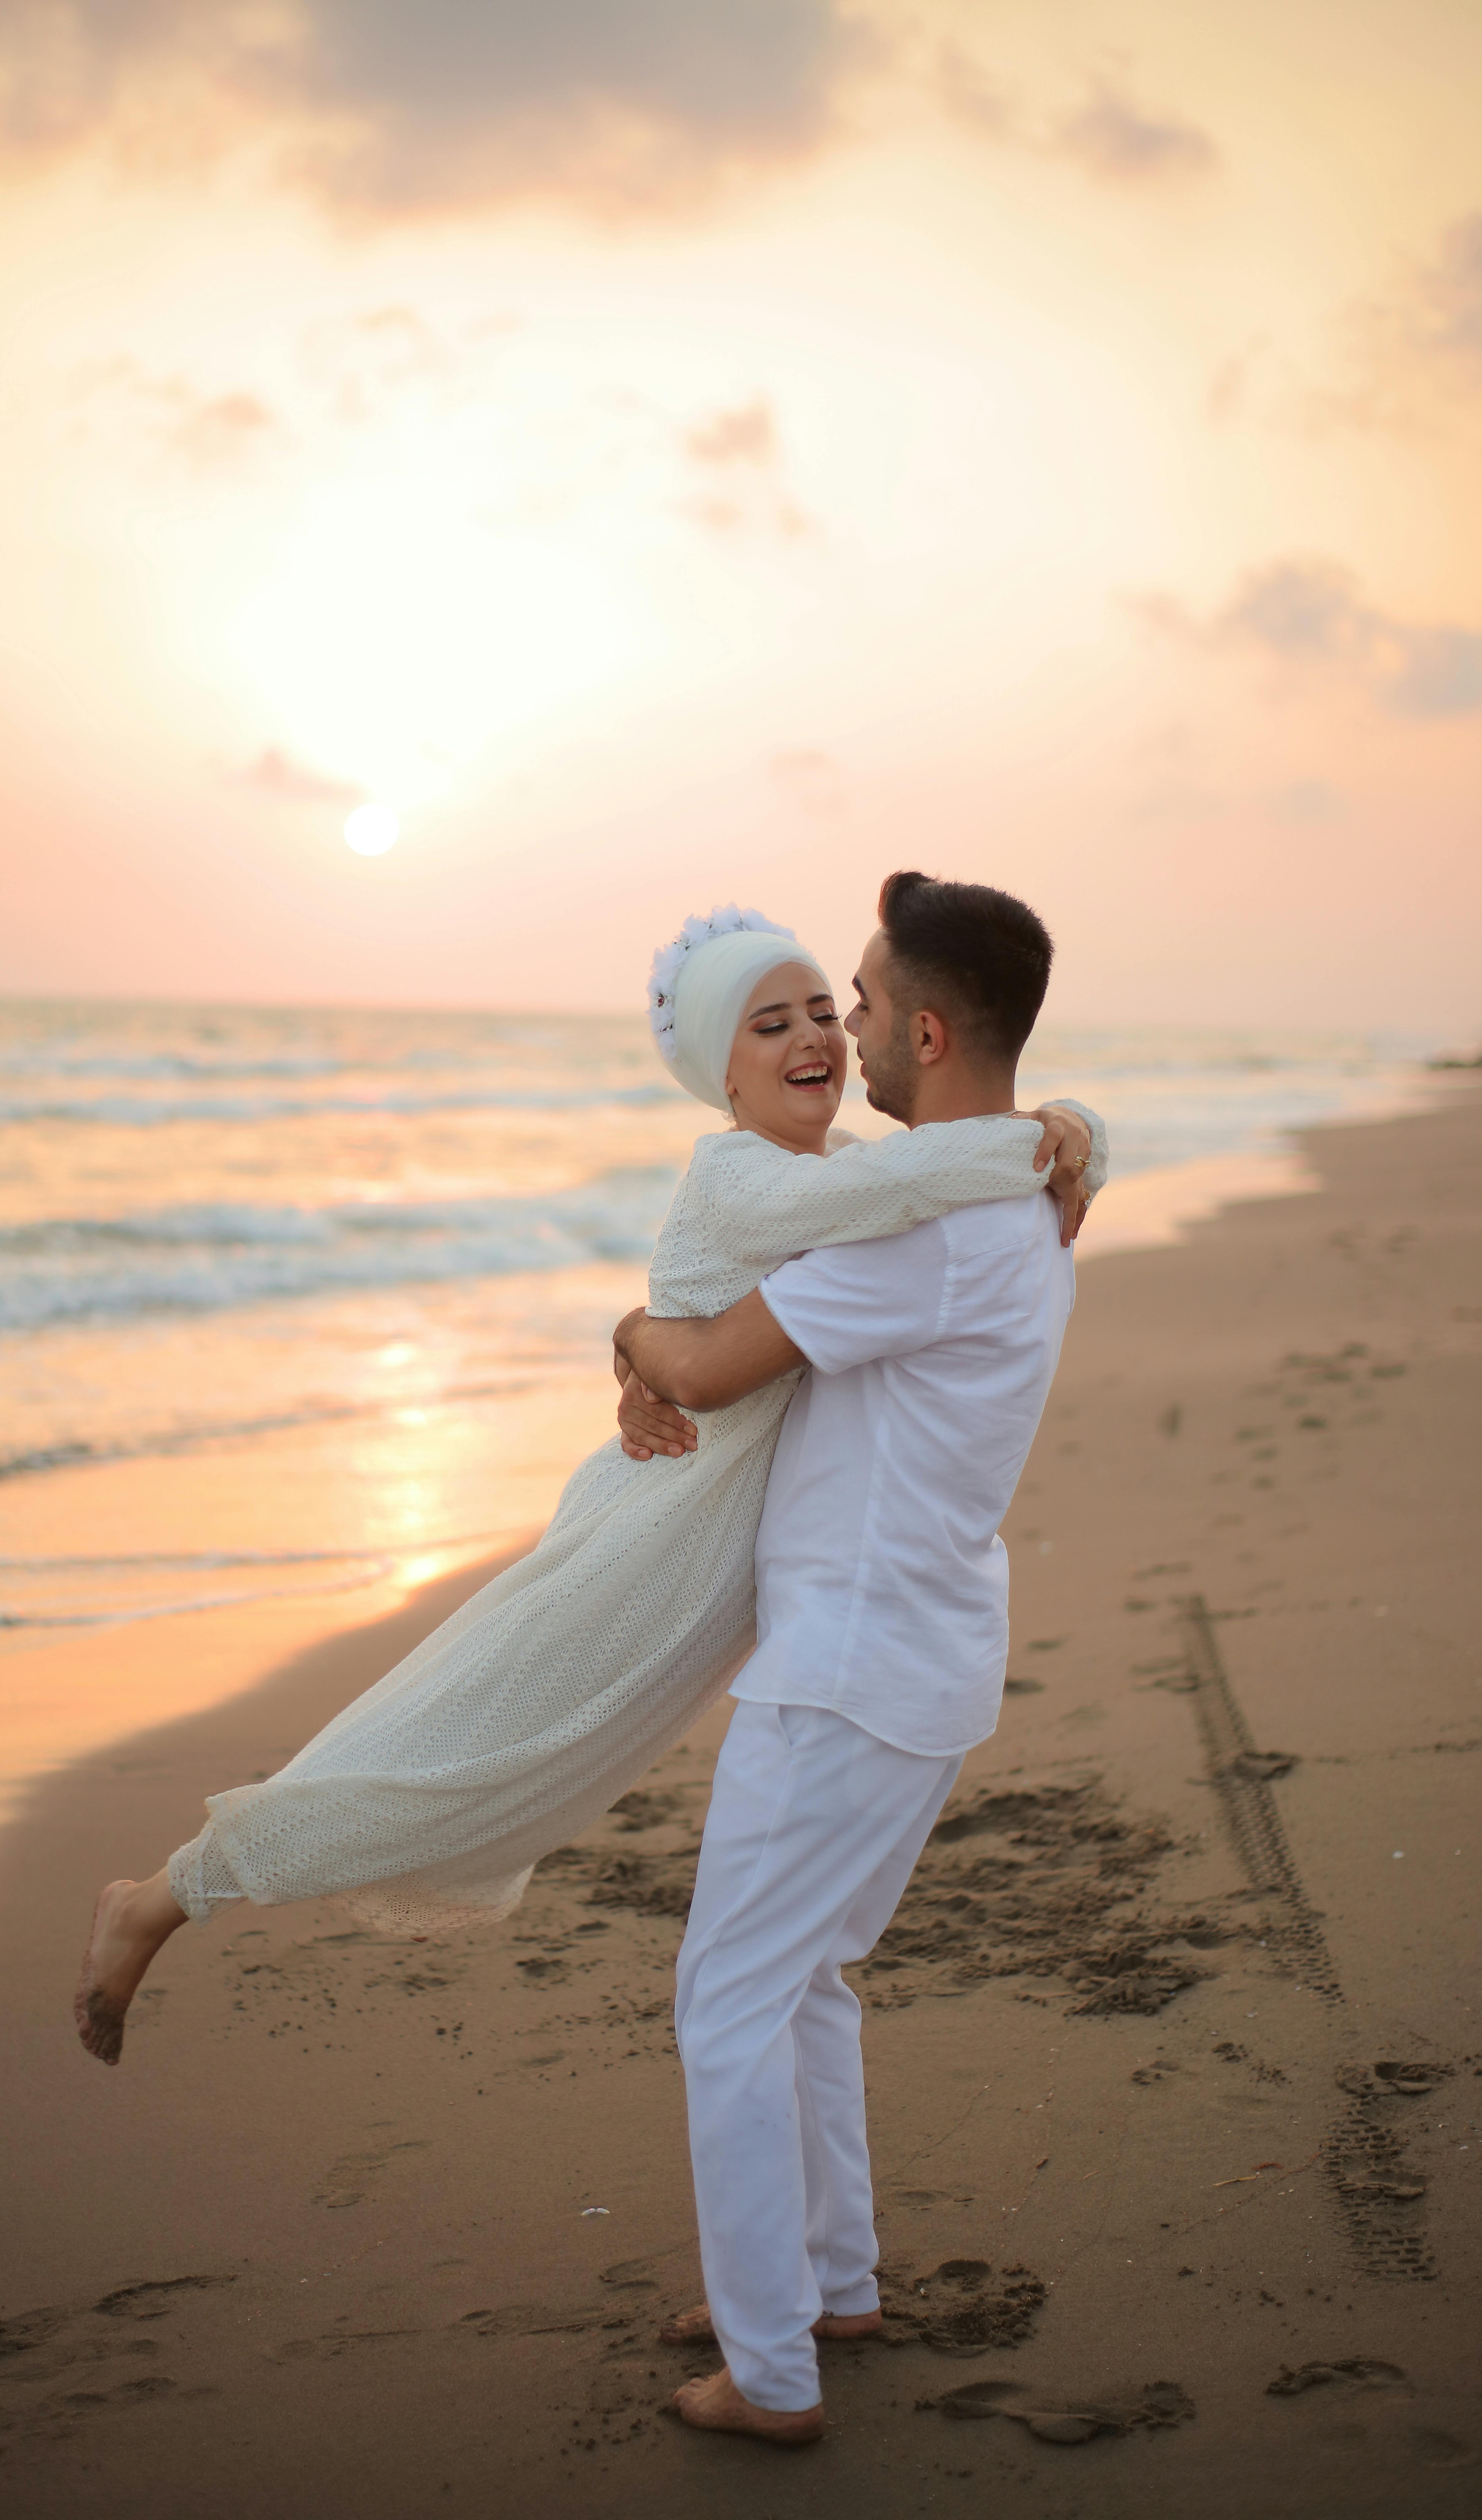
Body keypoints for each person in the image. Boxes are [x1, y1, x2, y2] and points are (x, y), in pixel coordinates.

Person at [75, 900, 1104, 2065]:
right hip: (655, 1532)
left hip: (738, 1568)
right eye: (769, 1025)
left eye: (827, 1010)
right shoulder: (745, 1180)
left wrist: (1068, 1124)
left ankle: (184, 1890)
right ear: (720, 1079)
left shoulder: (866, 1179)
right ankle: (162, 1898)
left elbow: (917, 1180)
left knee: (544, 1771)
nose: (817, 1035)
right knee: (452, 1749)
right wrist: (1059, 1133)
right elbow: (932, 1180)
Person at [610, 872, 1089, 2447]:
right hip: (915, 1651)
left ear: (931, 1028)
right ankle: (827, 2278)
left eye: (865, 1002)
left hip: (851, 1669)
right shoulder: (1004, 1195)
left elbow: (706, 1357)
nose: (848, 1026)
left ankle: (768, 2368)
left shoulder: (933, 1238)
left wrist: (630, 1331)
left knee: (728, 1996)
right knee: (802, 1975)